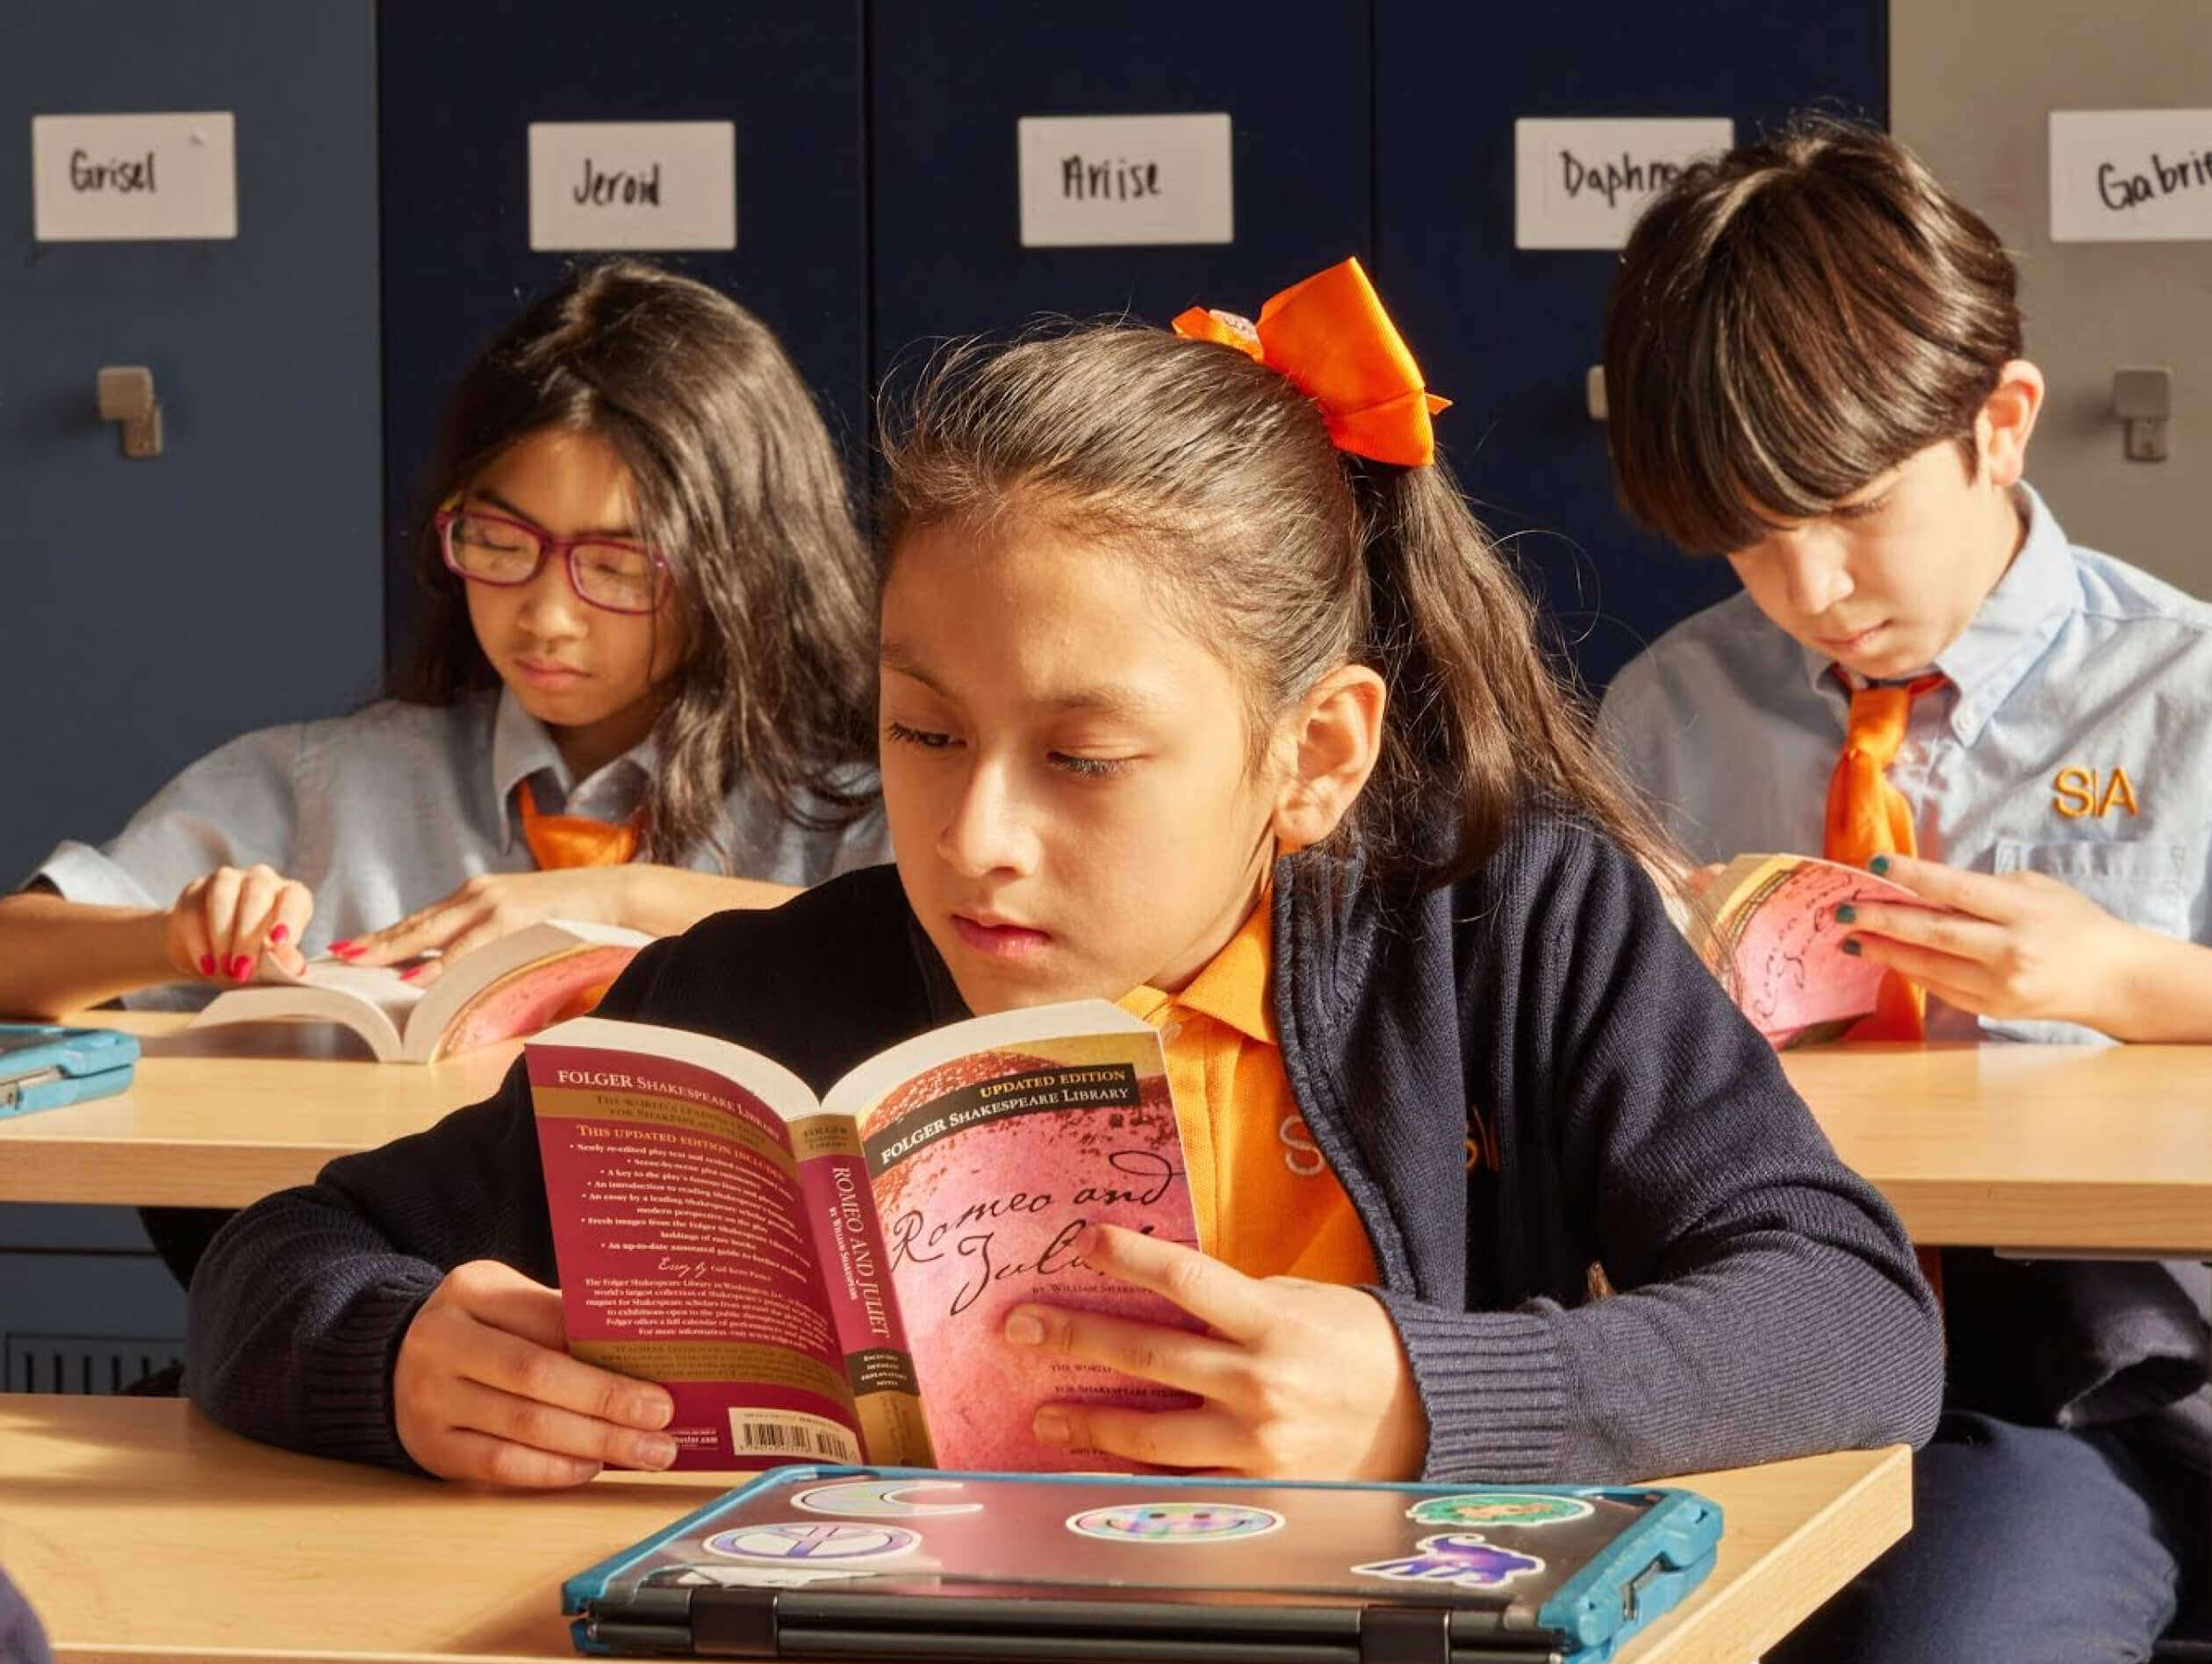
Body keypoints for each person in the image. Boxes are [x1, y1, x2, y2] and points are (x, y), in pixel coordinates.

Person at [186, 259, 1940, 1502]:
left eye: (1086, 760)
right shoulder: (772, 999)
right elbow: (283, 1256)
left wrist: (1422, 1393)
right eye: (924, 734)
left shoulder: (1506, 931)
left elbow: (1857, 1317)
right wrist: (398, 1356)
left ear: (1314, 757)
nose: (976, 837)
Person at [1594, 119, 2208, 1661]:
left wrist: (2125, 981)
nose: (1808, 588)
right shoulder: (1669, 713)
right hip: (1756, 1342)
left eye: (1854, 510)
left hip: (2083, 1370)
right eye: (1747, 535)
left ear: (2000, 425)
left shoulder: (2183, 698)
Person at [0, 258, 887, 1021]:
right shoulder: (327, 788)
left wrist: (625, 897)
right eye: (500, 545)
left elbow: (946, 959)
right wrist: (171, 938)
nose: (545, 616)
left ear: (743, 564)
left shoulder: (838, 805)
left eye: (617, 568)